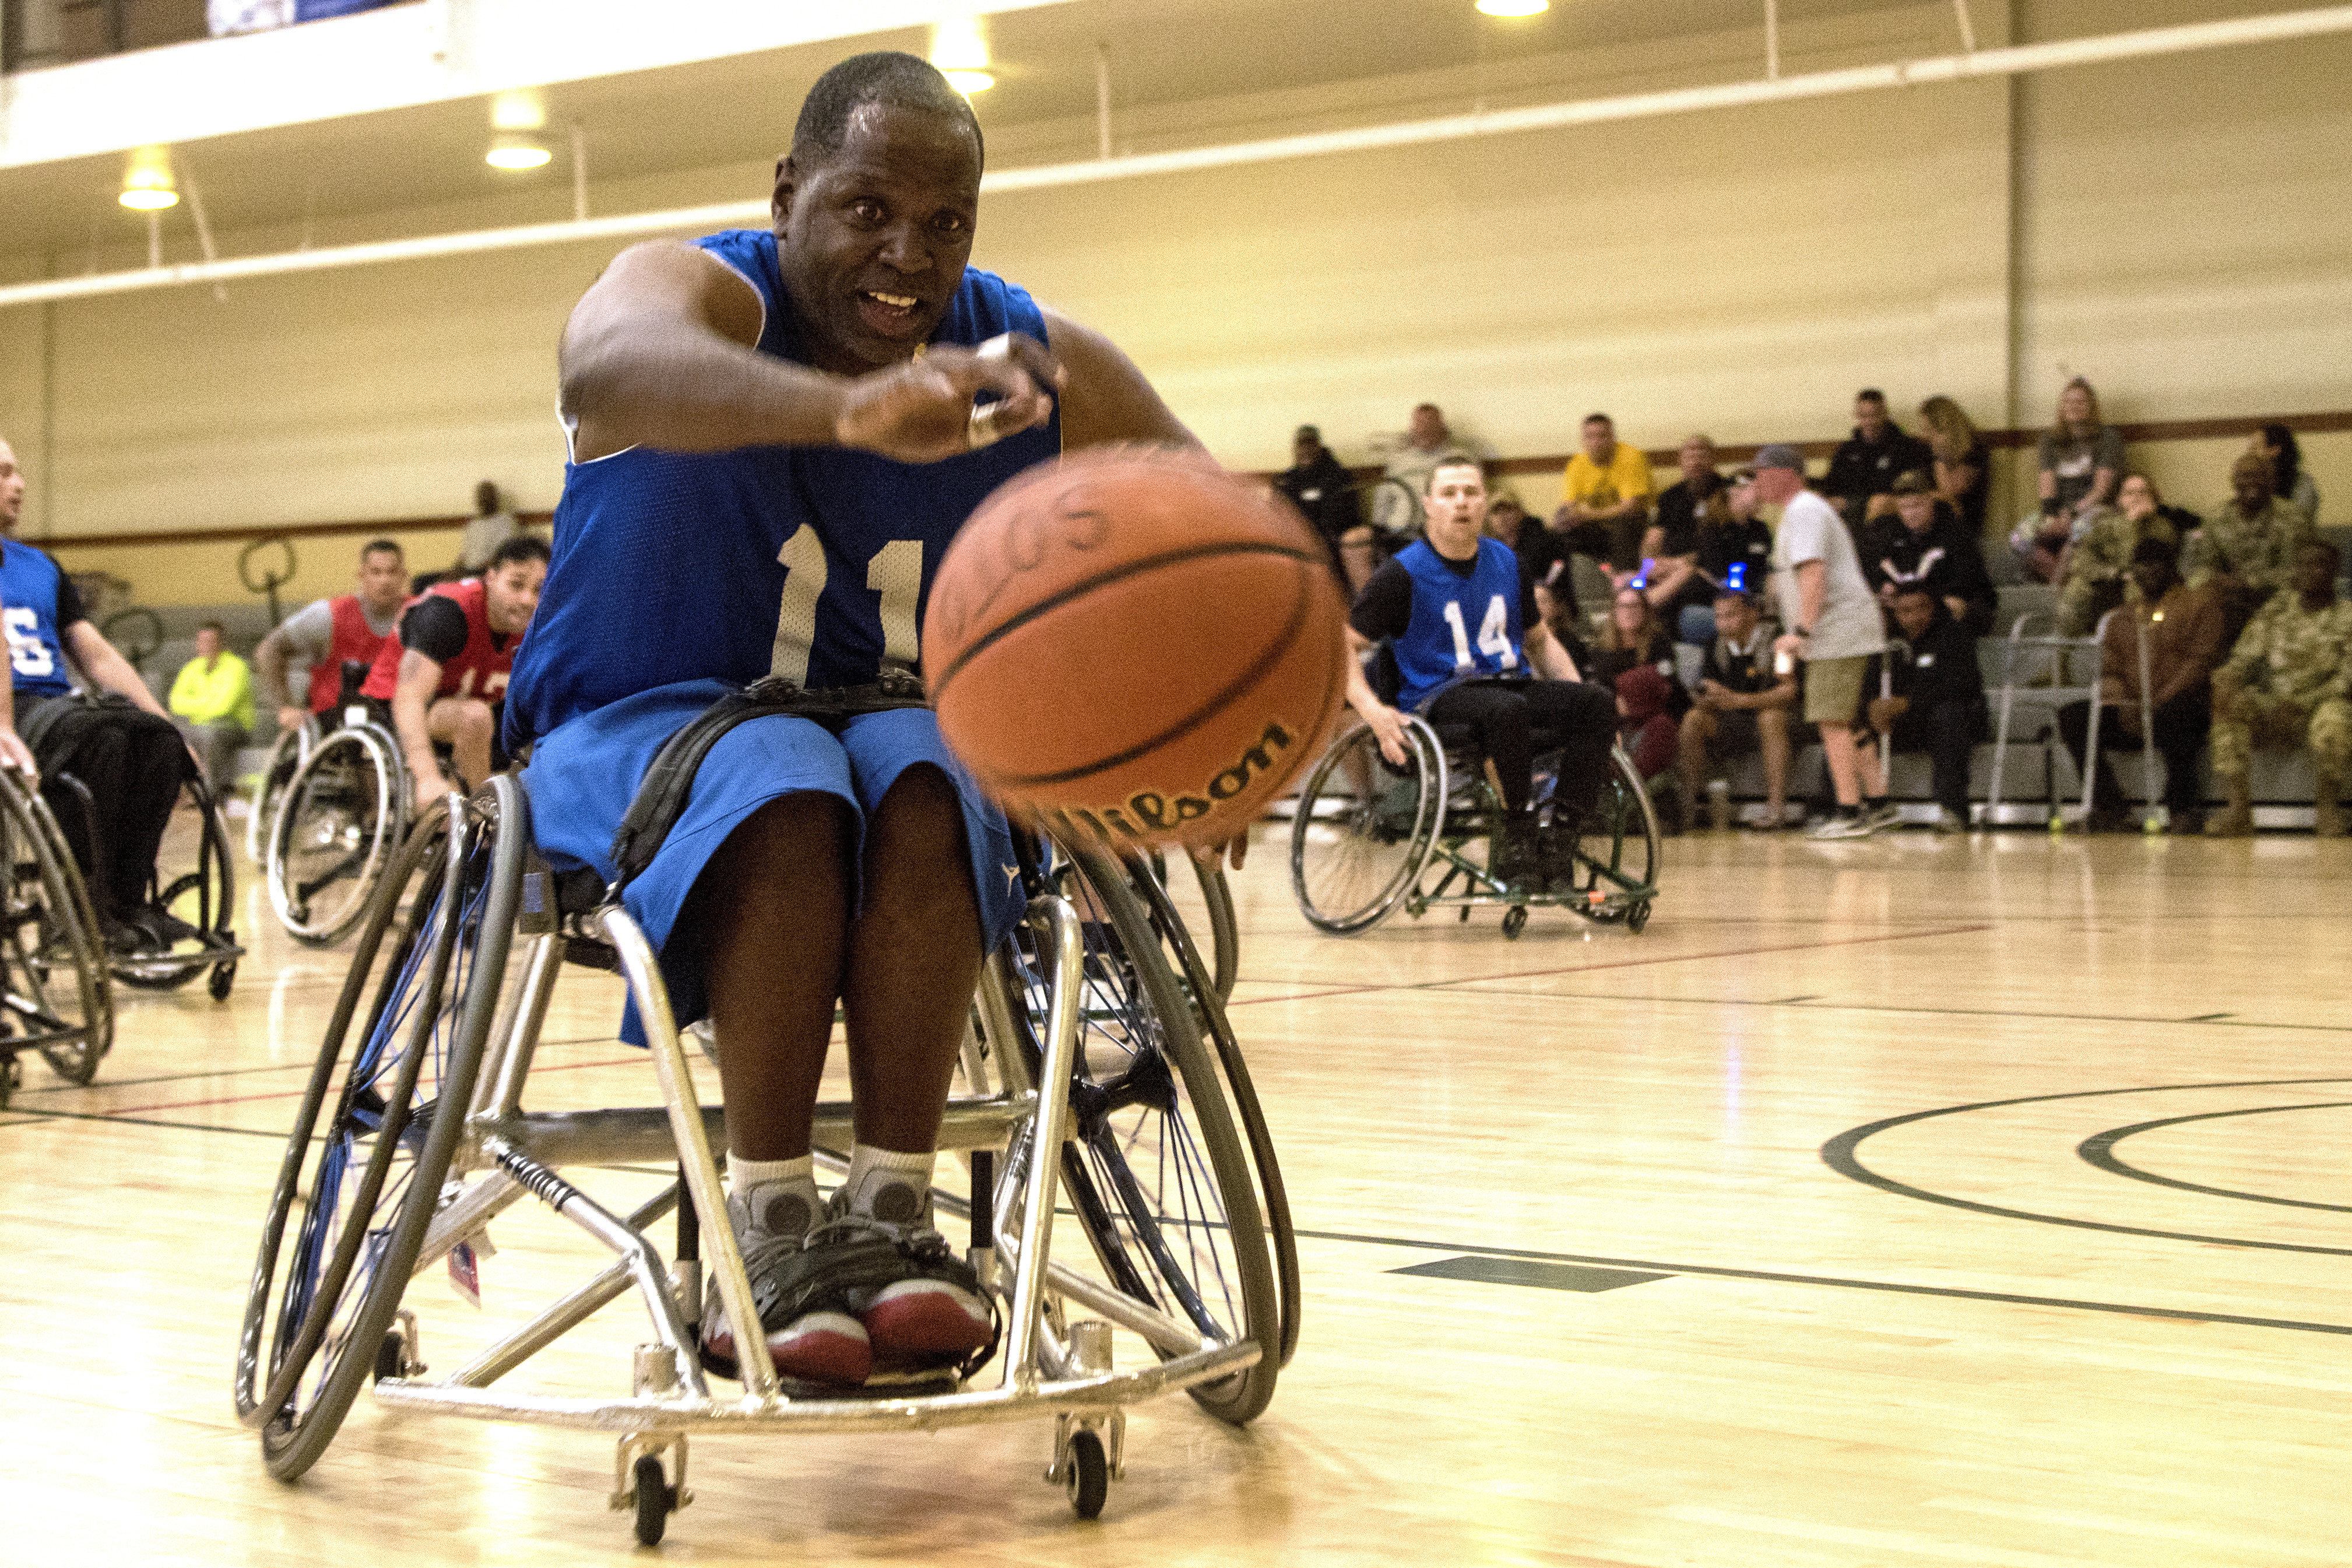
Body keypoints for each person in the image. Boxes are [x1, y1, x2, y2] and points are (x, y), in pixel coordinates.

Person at [504, 52, 1205, 1391]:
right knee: (783, 774)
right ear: (787, 193)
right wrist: (844, 412)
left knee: (939, 761)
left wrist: (1238, 714)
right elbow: (606, 357)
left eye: (945, 224)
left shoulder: (1017, 356)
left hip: (865, 726)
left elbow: (1200, 516)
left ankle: (893, 1210)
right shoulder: (697, 290)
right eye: (868, 209)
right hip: (625, 727)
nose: (909, 254)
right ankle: (765, 1222)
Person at [1346, 458, 1615, 893]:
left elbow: (1541, 641)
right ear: (1430, 506)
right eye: (1449, 494)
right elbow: (1344, 646)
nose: (1461, 503)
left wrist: (1580, 702)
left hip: (1508, 684)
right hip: (1438, 697)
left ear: (1484, 502)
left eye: (1470, 492)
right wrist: (1373, 712)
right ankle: (1518, 833)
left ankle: (1561, 840)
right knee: (1506, 710)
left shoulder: (1506, 561)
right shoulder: (1401, 573)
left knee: (1595, 703)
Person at [0, 435, 198, 953]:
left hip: (53, 705)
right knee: (99, 737)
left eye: (17, 472)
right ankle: (74, 904)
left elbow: (97, 656)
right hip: (10, 710)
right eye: (3, 474)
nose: (18, 485)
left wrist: (169, 725)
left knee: (153, 740)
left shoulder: (40, 565)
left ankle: (126, 900)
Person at [1757, 444, 1890, 838]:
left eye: (1761, 473)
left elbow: (1814, 573)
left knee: (1829, 719)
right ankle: (1880, 803)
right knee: (1848, 719)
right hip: (1839, 630)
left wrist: (1801, 631)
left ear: (1784, 473)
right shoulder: (1803, 512)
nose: (1757, 482)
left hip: (1835, 631)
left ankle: (1849, 811)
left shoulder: (1804, 511)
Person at [362, 535, 546, 811]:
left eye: (539, 590)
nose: (527, 599)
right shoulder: (448, 612)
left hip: (465, 704)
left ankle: (482, 812)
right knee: (474, 718)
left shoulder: (538, 627)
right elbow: (409, 698)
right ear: (491, 577)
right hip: (397, 705)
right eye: (516, 584)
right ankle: (481, 815)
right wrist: (427, 778)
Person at [2055, 536, 2226, 834]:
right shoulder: (2121, 617)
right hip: (2134, 711)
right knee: (2073, 717)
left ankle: (2182, 810)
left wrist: (2157, 700)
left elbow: (2201, 662)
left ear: (2171, 568)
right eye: (2141, 567)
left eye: (2155, 565)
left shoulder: (2199, 604)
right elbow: (2110, 669)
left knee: (2180, 711)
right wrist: (2121, 703)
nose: (2148, 572)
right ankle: (2110, 809)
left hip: (2183, 705)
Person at [2204, 540, 2352, 838]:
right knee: (2229, 703)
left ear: (2335, 571)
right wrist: (2227, 680)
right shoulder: (2277, 610)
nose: (2312, 572)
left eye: (2321, 565)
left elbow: (2346, 680)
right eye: (2305, 565)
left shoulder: (2347, 616)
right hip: (2273, 705)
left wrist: (2299, 704)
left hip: (2319, 705)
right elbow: (2243, 657)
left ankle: (2327, 808)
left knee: (2336, 718)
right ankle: (2238, 810)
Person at [1862, 586, 1988, 834]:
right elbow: (1869, 684)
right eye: (1906, 611)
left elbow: (1962, 685)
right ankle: (1840, 807)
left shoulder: (1954, 634)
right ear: (1895, 613)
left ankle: (1953, 809)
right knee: (1848, 728)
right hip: (1902, 724)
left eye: (1923, 607)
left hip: (1948, 719)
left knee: (1948, 716)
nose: (1916, 617)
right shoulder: (1883, 641)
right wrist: (1872, 706)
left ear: (1934, 606)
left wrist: (1907, 704)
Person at [254, 537, 409, 732]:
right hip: (335, 724)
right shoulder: (328, 615)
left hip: (401, 719)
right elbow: (268, 651)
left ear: (403, 576)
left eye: (392, 572)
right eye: (376, 572)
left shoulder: (421, 613)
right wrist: (285, 708)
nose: (384, 580)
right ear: (362, 576)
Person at [1676, 588, 1796, 831]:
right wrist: (1706, 699)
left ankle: (1776, 808)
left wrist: (1739, 700)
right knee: (1693, 719)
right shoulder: (1715, 645)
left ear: (1752, 614)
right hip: (1733, 720)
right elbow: (1709, 690)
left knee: (1770, 718)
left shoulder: (1778, 641)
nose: (1723, 624)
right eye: (1719, 617)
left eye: (1730, 616)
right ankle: (1688, 808)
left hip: (1778, 717)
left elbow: (1788, 690)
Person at [2186, 451, 2316, 642]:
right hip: (2230, 606)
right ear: (2233, 482)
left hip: (2280, 605)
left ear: (2270, 480)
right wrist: (2216, 582)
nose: (2250, 482)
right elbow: (2202, 568)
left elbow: (2299, 573)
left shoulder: (2294, 518)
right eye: (2244, 476)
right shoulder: (2216, 519)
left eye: (2257, 475)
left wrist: (2249, 582)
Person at [2015, 377, 2125, 582]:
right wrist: (2052, 519)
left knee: (2076, 538)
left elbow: (2101, 490)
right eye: (2068, 402)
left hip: (2092, 511)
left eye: (2081, 402)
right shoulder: (2049, 440)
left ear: (2092, 407)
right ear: (2061, 406)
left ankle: (2058, 584)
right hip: (2057, 512)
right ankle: (2057, 580)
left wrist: (2071, 515)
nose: (2074, 406)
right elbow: (2047, 488)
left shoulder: (2108, 437)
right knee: (2020, 538)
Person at [1862, 470, 1996, 637]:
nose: (1911, 513)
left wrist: (1926, 596)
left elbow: (1966, 582)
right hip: (1910, 604)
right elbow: (1877, 569)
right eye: (1905, 507)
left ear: (1930, 500)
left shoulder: (1955, 533)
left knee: (1950, 605)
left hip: (1957, 601)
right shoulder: (1892, 535)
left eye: (1917, 505)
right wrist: (1884, 588)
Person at [2054, 473, 2179, 637]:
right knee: (2077, 588)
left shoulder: (2162, 527)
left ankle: (2139, 650)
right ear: (2120, 499)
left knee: (2136, 589)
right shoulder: (2105, 523)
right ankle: (2061, 655)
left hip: (2143, 581)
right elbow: (2082, 561)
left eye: (2143, 493)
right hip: (2109, 580)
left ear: (2153, 498)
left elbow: (2134, 562)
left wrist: (2134, 525)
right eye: (2130, 493)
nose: (2137, 498)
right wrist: (2111, 573)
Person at [1588, 585, 1687, 787]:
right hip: (1616, 725)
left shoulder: (1659, 644)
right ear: (1615, 612)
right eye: (1623, 607)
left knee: (1662, 728)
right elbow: (1604, 695)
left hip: (1654, 720)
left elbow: (1668, 690)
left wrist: (1627, 692)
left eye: (1635, 606)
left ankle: (1629, 786)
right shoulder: (1600, 651)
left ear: (1644, 611)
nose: (1629, 612)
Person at [1551, 413, 1654, 572]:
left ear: (1612, 437)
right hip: (1597, 530)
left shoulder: (1631, 457)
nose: (1596, 443)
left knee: (1623, 524)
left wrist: (1589, 514)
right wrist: (1566, 517)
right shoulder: (1576, 465)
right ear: (1583, 440)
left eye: (1602, 436)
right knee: (1561, 529)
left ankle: (1625, 585)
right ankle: (1563, 592)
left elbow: (1630, 507)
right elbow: (1570, 506)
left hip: (1631, 524)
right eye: (1590, 437)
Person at [1369, 403, 1482, 546]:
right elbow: (1384, 499)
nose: (1424, 430)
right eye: (1419, 424)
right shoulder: (1398, 462)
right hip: (1400, 535)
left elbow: (1475, 499)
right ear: (1412, 429)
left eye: (1430, 424)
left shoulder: (1462, 459)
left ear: (1443, 427)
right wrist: (1377, 530)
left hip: (1446, 534)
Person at [166, 620, 255, 797]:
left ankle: (210, 795)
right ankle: (176, 796)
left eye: (210, 641)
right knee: (169, 735)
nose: (204, 646)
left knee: (208, 734)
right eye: (201, 641)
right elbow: (175, 702)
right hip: (199, 726)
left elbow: (223, 708)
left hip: (235, 727)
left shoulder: (237, 667)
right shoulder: (191, 668)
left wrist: (194, 706)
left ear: (221, 644)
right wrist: (207, 703)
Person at [1822, 389, 1932, 528]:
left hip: (1890, 507)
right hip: (1852, 506)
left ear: (1885, 414)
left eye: (1874, 415)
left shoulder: (1906, 447)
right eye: (1864, 416)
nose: (1869, 422)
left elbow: (1916, 486)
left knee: (1880, 503)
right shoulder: (1846, 450)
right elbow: (1831, 486)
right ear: (1857, 416)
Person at [1483, 489, 1579, 650]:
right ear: (1489, 518)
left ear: (1520, 512)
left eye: (1508, 510)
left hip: (1549, 606)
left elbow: (1556, 576)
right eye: (1496, 512)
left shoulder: (1543, 540)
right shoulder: (1488, 548)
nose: (1502, 517)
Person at [1274, 424, 1365, 590]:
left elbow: (1343, 515)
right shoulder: (1287, 480)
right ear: (1295, 449)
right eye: (1301, 445)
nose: (1306, 450)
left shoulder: (1338, 476)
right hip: (1297, 541)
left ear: (1319, 446)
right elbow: (1280, 515)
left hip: (1332, 540)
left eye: (1311, 444)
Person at [1917, 394, 1990, 539]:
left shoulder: (1975, 449)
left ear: (1943, 428)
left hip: (1961, 520)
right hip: (1930, 513)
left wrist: (1941, 455)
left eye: (1929, 429)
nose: (1925, 435)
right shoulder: (1927, 449)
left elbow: (1949, 492)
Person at [2251, 423, 2319, 522]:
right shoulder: (2253, 483)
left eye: (2254, 448)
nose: (2249, 454)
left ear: (2274, 451)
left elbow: (2300, 521)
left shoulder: (2302, 484)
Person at [456, 480, 522, 574]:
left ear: (495, 499)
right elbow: (466, 553)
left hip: (489, 573)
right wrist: (456, 568)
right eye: (482, 496)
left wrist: (480, 569)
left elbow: (504, 554)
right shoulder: (473, 524)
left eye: (488, 496)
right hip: (469, 572)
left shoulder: (505, 522)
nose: (484, 500)